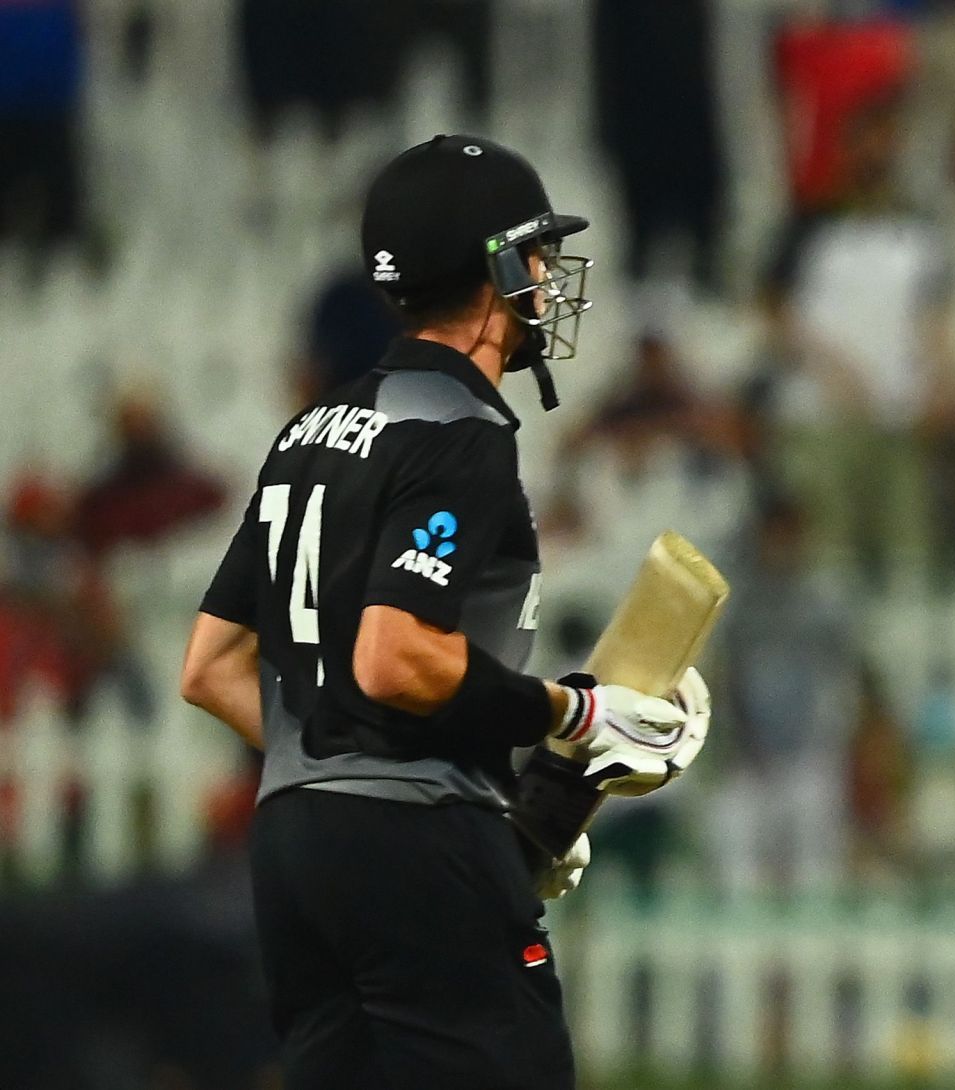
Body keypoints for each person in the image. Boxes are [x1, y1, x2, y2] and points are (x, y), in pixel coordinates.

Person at [177, 134, 711, 1090]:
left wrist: (348, 772)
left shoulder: (310, 431)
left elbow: (211, 668)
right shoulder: (459, 432)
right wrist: (573, 714)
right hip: (413, 847)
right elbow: (393, 658)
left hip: (294, 849)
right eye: (537, 252)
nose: (550, 277)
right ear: (497, 264)